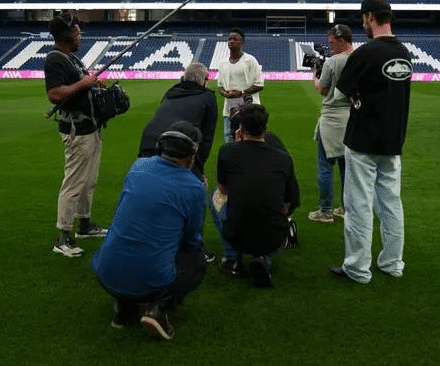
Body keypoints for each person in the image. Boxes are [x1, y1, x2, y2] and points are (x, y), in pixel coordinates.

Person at [92, 121, 207, 340]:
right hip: (150, 280)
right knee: (196, 260)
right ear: (193, 153)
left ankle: (123, 309)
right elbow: (192, 239)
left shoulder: (138, 166)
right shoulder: (193, 187)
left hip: (105, 274)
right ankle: (159, 308)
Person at [329, 0, 413, 284]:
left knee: (359, 204)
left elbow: (340, 93)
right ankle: (392, 263)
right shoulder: (404, 53)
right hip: (393, 140)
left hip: (363, 140)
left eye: (363, 19)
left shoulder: (365, 53)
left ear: (368, 17)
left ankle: (358, 268)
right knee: (391, 203)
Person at [213, 104, 299, 287]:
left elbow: (224, 190)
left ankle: (232, 259)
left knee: (214, 195)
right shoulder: (283, 158)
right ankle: (262, 257)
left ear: (240, 129)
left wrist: (237, 148)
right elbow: (289, 203)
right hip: (275, 236)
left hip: (237, 233)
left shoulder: (227, 151)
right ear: (265, 129)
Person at [44, 12, 108, 258]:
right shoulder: (55, 59)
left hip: (92, 128)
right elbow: (55, 95)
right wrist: (83, 84)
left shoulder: (72, 59)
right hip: (77, 131)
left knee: (89, 181)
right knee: (73, 183)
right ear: (67, 36)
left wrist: (93, 84)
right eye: (78, 32)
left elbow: (80, 86)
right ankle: (63, 236)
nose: (80, 36)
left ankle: (85, 225)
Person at [138, 62, 217, 180]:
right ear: (205, 80)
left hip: (149, 142)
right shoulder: (208, 97)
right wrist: (198, 170)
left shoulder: (171, 92)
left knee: (147, 182)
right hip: (177, 145)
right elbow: (206, 138)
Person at [308, 24, 355, 223]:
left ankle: (325, 210)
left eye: (332, 43)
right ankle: (345, 208)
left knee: (325, 166)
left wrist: (315, 78)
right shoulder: (358, 58)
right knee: (346, 167)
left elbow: (323, 90)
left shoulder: (333, 62)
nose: (330, 47)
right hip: (351, 117)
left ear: (342, 40)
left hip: (331, 118)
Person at [217, 27, 264, 143]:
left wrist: (241, 93)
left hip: (248, 111)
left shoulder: (250, 61)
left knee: (248, 142)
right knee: (229, 140)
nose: (231, 41)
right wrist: (224, 93)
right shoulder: (223, 63)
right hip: (229, 111)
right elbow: (220, 85)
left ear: (241, 42)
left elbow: (259, 84)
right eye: (229, 39)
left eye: (235, 39)